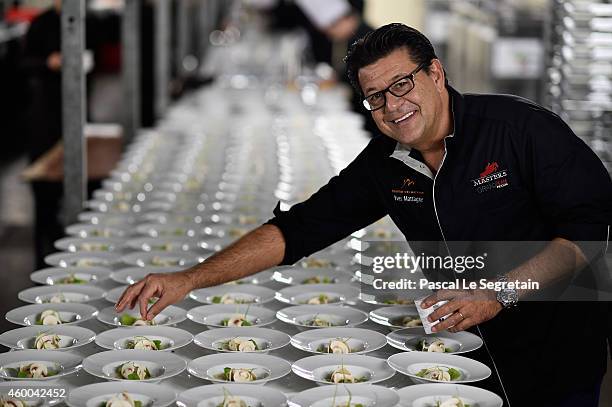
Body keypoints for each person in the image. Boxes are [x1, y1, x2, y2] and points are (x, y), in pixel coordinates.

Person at [116, 23, 612, 406]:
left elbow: (588, 236)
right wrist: (188, 279)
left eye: (402, 85)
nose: (392, 107)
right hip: (461, 345)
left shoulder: (520, 130)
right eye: (375, 97)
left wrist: (498, 293)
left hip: (555, 347)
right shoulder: (385, 162)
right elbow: (298, 230)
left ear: (435, 74)